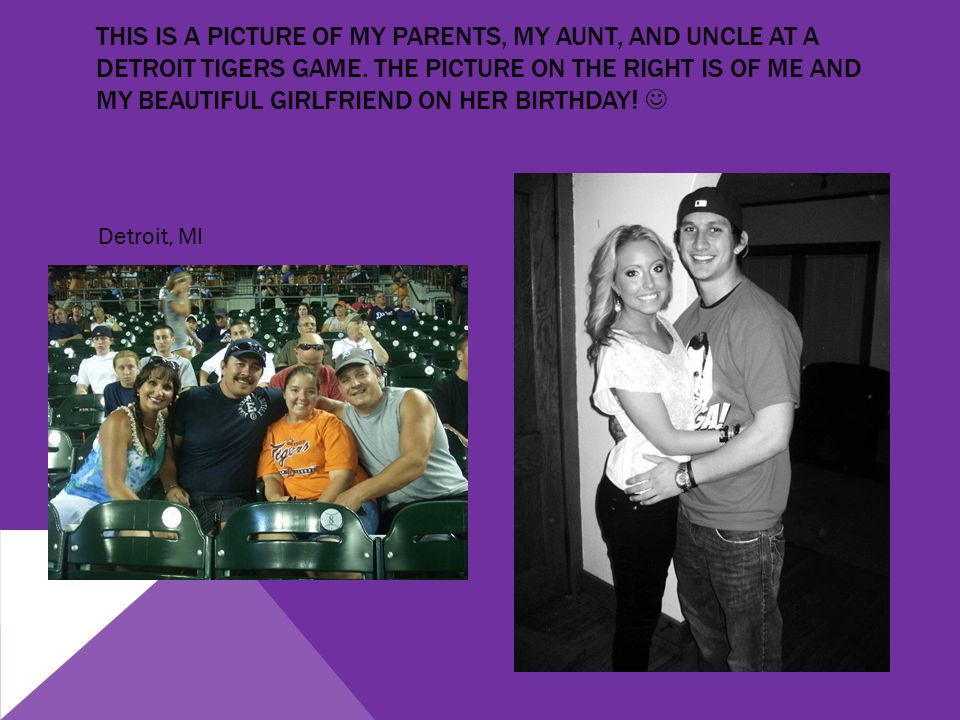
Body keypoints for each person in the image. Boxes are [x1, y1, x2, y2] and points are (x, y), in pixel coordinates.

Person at [627, 188, 802, 672]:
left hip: (743, 525)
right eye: (689, 230)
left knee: (751, 657)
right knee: (707, 640)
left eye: (715, 229)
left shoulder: (762, 320)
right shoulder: (684, 322)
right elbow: (684, 410)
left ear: (740, 241)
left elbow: (772, 434)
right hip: (691, 515)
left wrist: (681, 477)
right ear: (678, 243)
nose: (700, 241)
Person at [586, 224, 727, 672]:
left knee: (655, 604)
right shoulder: (621, 348)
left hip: (669, 488)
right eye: (632, 273)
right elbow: (668, 438)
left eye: (657, 268)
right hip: (637, 496)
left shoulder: (665, 327)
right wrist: (737, 434)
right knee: (639, 615)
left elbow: (677, 408)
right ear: (614, 283)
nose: (648, 283)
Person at [316, 349, 467, 532]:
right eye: (345, 380)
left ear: (378, 374)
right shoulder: (343, 414)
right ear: (339, 389)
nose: (354, 383)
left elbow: (414, 462)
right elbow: (304, 400)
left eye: (361, 374)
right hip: (401, 513)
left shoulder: (410, 399)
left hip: (450, 499)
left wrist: (356, 493)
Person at [168, 339, 286, 534]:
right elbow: (170, 450)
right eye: (240, 364)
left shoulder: (266, 400)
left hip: (235, 501)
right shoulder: (192, 399)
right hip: (188, 497)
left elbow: (305, 398)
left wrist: (348, 407)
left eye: (255, 367)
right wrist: (170, 486)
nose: (247, 372)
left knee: (240, 539)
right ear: (222, 367)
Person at [50, 360, 180, 526]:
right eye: (152, 383)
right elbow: (114, 485)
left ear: (173, 396)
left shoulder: (161, 425)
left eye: (167, 387)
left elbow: (167, 469)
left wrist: (172, 488)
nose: (159, 392)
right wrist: (149, 522)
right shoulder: (119, 421)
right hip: (82, 504)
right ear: (139, 387)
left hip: (120, 507)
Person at [257, 365, 378, 534]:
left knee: (327, 550)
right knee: (272, 546)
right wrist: (277, 500)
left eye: (310, 391)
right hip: (298, 509)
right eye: (295, 390)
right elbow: (272, 478)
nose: (302, 397)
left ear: (318, 395)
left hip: (345, 501)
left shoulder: (329, 424)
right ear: (284, 393)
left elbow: (342, 478)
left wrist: (315, 513)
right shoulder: (273, 431)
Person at [269, 333, 344, 402]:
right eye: (305, 365)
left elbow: (342, 411)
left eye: (315, 365)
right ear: (296, 353)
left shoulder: (335, 378)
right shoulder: (279, 379)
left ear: (324, 354)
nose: (309, 372)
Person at [199, 319, 276, 386]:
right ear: (231, 337)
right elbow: (205, 367)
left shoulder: (263, 355)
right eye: (235, 334)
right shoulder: (224, 352)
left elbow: (266, 383)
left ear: (251, 333)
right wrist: (203, 382)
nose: (239, 337)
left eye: (243, 332)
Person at [430, 332, 467, 447]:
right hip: (456, 450)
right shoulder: (443, 387)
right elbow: (443, 426)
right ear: (460, 355)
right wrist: (466, 442)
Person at [140, 324, 198, 391]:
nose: (161, 342)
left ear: (173, 340)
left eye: (165, 337)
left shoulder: (184, 363)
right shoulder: (144, 362)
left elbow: (188, 388)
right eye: (157, 338)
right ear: (154, 341)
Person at [161, 271, 203, 359]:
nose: (188, 287)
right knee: (188, 369)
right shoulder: (171, 298)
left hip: (180, 341)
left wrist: (195, 340)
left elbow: (183, 323)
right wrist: (185, 295)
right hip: (175, 341)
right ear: (178, 282)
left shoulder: (178, 298)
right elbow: (186, 312)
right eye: (187, 284)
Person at [76, 326, 118, 394]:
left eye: (103, 339)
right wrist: (81, 394)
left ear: (111, 341)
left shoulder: (119, 357)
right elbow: (82, 385)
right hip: (97, 400)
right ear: (93, 341)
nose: (100, 342)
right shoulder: (86, 363)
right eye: (96, 339)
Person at [102, 350, 139, 414]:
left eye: (131, 367)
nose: (127, 372)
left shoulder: (145, 388)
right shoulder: (109, 390)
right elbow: (108, 417)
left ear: (138, 368)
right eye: (121, 368)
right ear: (115, 370)